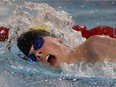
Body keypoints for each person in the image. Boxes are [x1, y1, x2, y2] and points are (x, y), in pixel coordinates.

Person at [17, 27, 116, 67]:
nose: (37, 54)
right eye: (32, 57)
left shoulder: (95, 46)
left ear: (58, 39)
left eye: (38, 43)